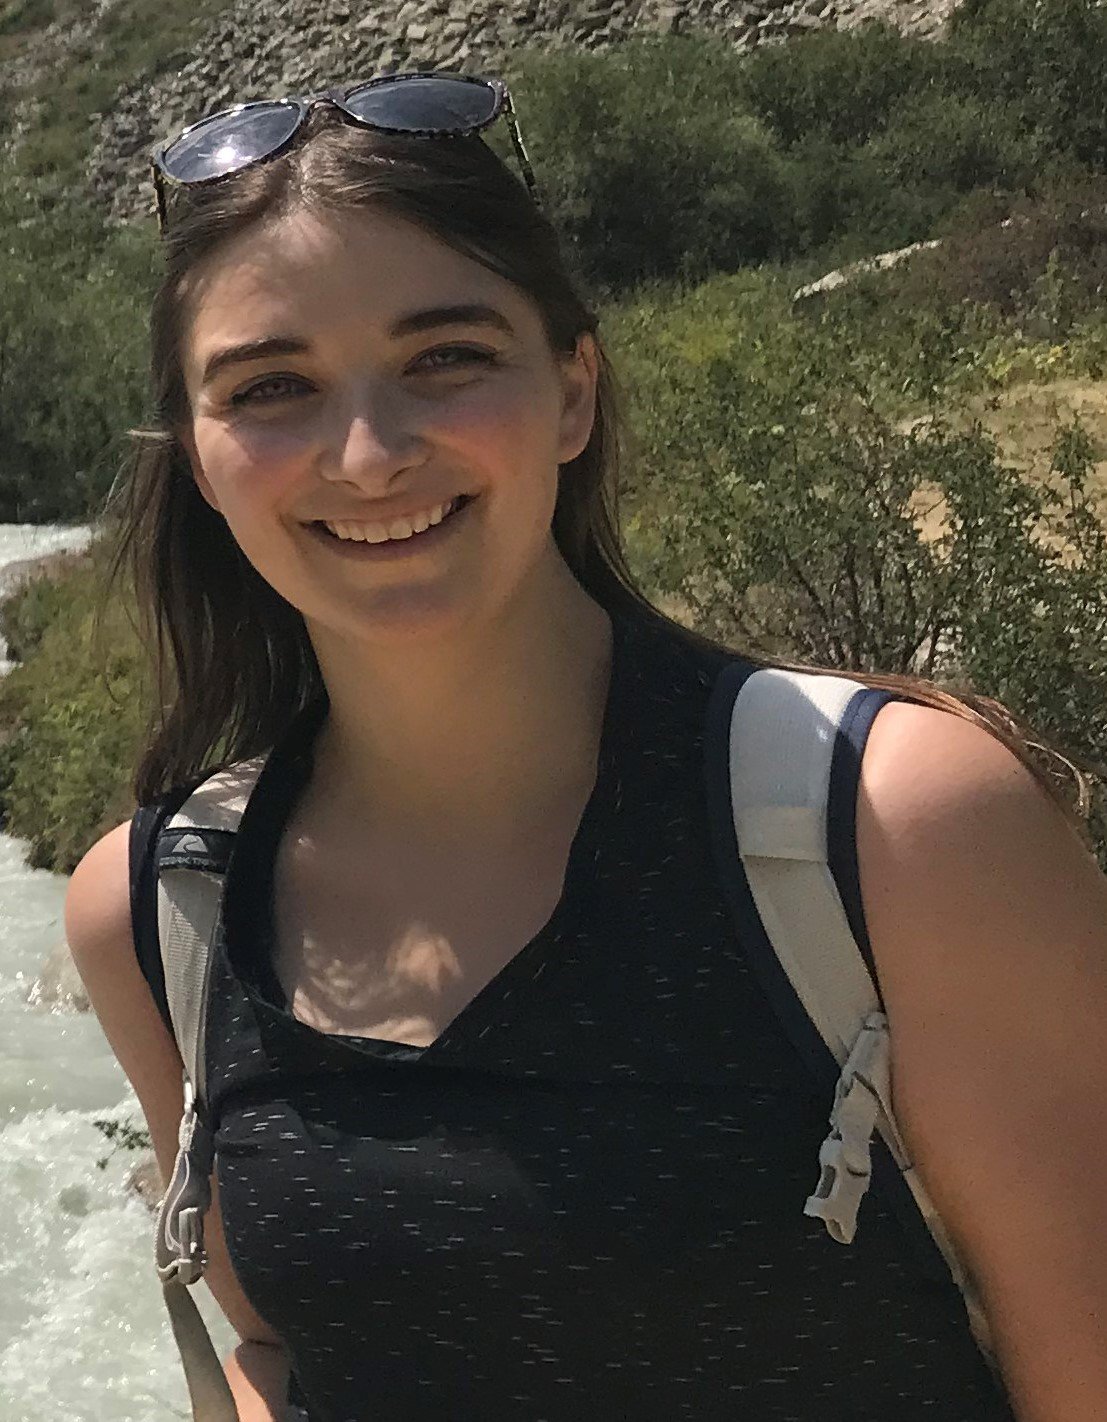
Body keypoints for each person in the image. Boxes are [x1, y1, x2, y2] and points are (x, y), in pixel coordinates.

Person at [63, 72, 1107, 1422]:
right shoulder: (160, 910)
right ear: (204, 464)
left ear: (571, 391)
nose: (370, 453)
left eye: (446, 358)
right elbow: (274, 1356)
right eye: (274, 387)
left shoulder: (896, 830)